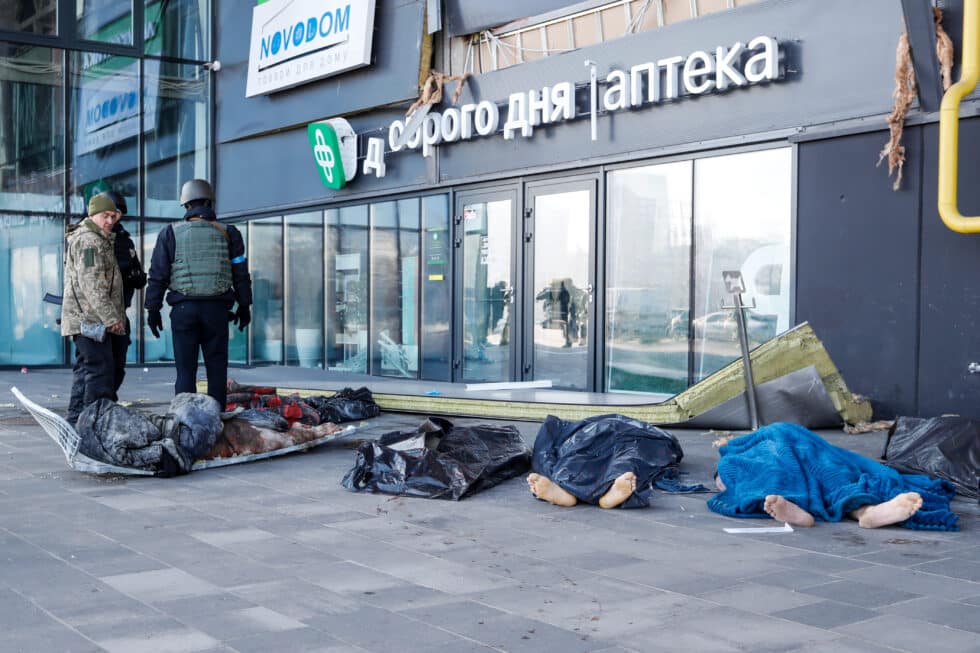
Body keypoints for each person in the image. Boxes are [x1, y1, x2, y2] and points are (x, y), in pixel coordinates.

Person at [708, 422, 959, 531]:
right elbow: (728, 473)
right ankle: (863, 511)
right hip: (788, 457)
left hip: (804, 449)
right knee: (830, 478)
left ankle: (865, 512)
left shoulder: (768, 434)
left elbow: (806, 441)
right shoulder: (733, 455)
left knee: (830, 472)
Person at [145, 179, 252, 409]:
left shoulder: (169, 233)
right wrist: (244, 305)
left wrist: (152, 309)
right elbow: (240, 272)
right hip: (217, 311)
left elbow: (157, 275)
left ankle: (185, 423)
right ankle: (217, 423)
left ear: (186, 205)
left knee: (185, 371)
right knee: (216, 370)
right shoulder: (230, 233)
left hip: (184, 311)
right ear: (209, 201)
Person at [63, 193, 127, 426]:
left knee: (86, 371)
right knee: (100, 372)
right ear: (93, 215)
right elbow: (91, 283)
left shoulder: (98, 238)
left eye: (113, 216)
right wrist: (112, 318)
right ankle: (94, 426)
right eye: (105, 216)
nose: (110, 220)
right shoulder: (89, 241)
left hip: (90, 319)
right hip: (90, 319)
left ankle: (75, 423)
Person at [103, 190, 146, 392]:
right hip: (98, 314)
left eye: (118, 213)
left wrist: (135, 276)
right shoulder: (91, 238)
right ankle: (89, 410)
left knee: (118, 367)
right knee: (96, 369)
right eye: (112, 213)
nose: (115, 218)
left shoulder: (125, 240)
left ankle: (108, 404)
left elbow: (137, 274)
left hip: (120, 312)